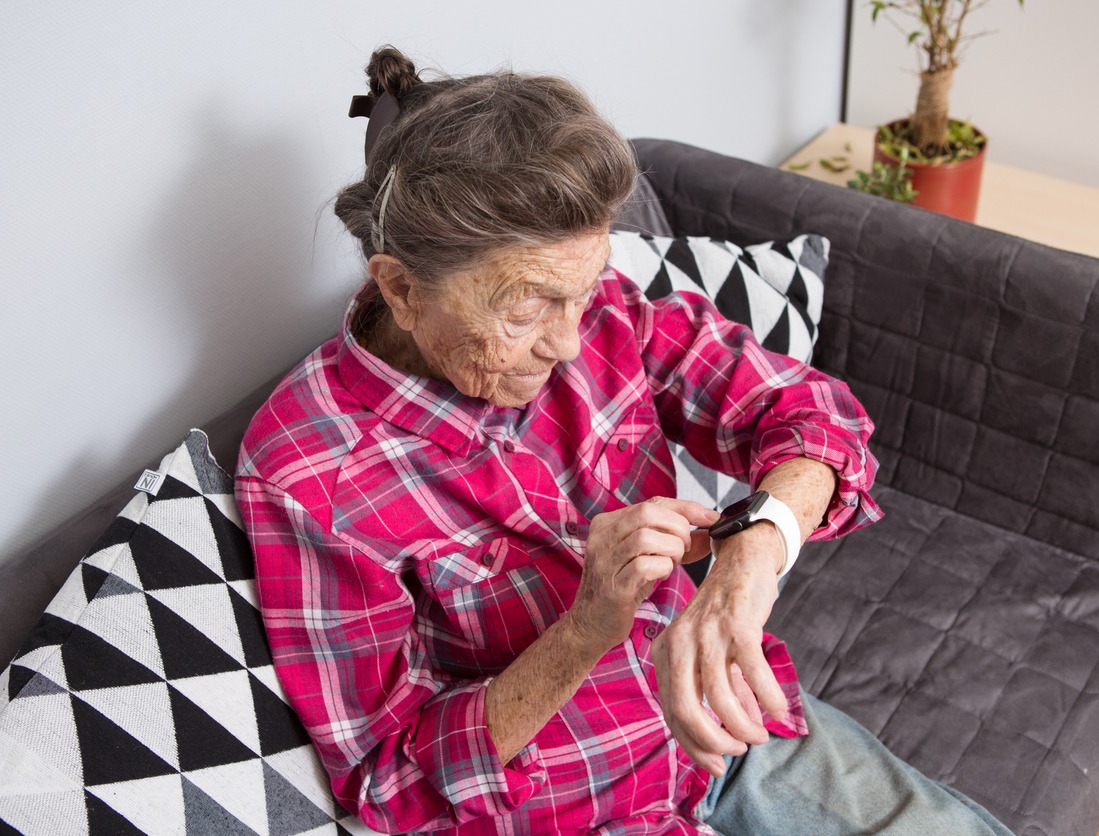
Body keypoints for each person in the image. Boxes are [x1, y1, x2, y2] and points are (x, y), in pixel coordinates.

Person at [236, 46, 1012, 835]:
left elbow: (812, 412)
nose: (571, 343)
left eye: (583, 288)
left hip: (728, 723)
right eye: (528, 306)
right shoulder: (309, 476)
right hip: (576, 811)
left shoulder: (598, 310)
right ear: (401, 288)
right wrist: (585, 626)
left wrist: (756, 546)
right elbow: (390, 782)